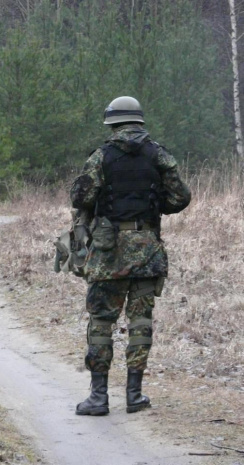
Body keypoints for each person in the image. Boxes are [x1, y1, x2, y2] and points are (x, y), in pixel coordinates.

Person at [70, 96, 191, 416]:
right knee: (140, 322)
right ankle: (135, 395)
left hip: (109, 252)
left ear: (112, 122)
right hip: (147, 250)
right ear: (138, 121)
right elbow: (180, 198)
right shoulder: (159, 154)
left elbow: (81, 196)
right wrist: (152, 206)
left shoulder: (101, 157)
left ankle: (98, 397)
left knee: (101, 322)